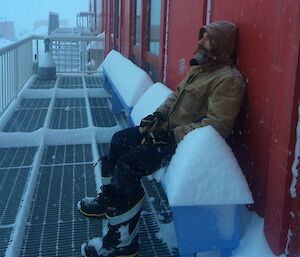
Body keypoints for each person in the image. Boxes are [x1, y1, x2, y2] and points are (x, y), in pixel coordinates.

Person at [80, 20, 246, 257]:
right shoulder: (199, 70)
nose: (201, 42)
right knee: (119, 140)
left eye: (207, 39)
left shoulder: (228, 80)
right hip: (163, 133)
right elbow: (175, 98)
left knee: (128, 166)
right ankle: (110, 200)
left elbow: (218, 125)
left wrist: (172, 135)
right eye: (202, 37)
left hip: (181, 144)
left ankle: (123, 241)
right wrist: (156, 116)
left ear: (220, 45)